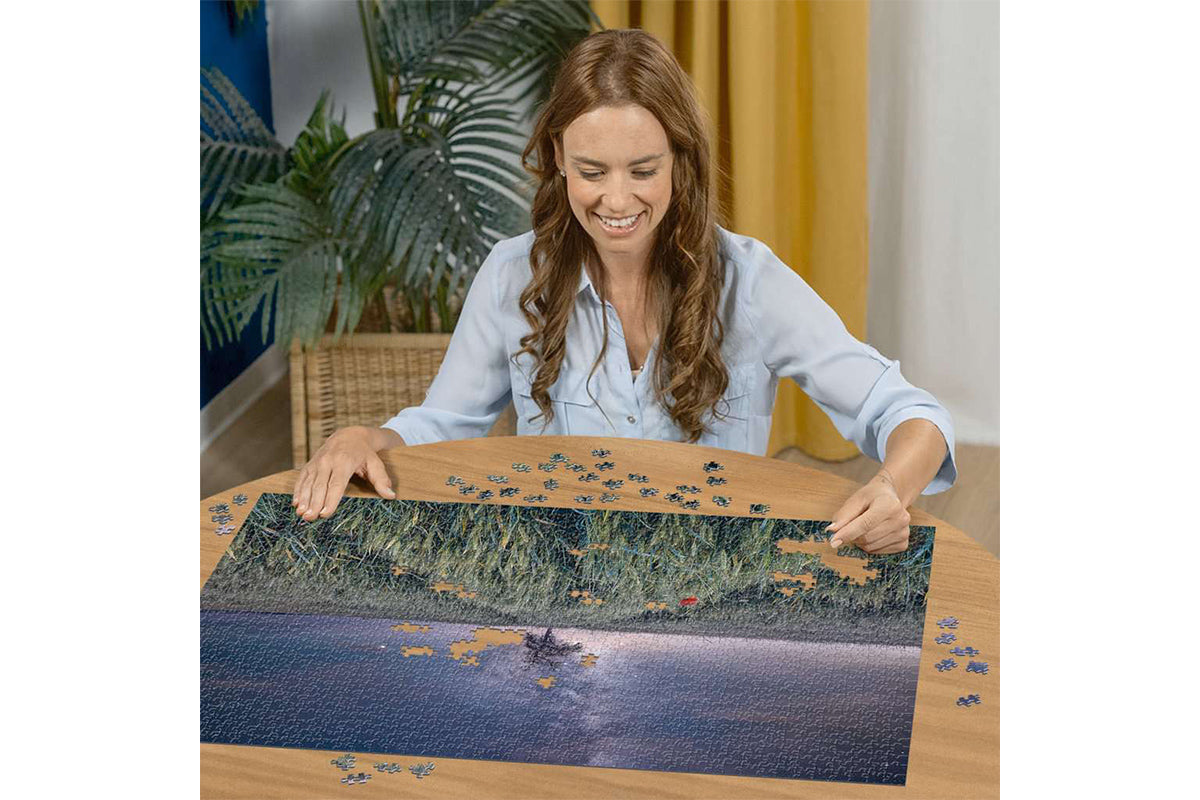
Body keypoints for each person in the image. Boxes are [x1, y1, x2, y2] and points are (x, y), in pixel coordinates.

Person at [291, 29, 956, 555]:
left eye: (643, 169)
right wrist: (364, 437)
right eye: (590, 170)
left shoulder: (750, 282)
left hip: (709, 580)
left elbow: (910, 414)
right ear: (557, 156)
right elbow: (443, 428)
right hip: (559, 576)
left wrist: (890, 490)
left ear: (680, 158)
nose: (616, 200)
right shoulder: (509, 275)